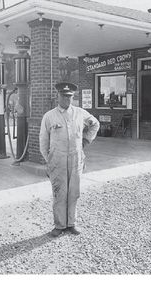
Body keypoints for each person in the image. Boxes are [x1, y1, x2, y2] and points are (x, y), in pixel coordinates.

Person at [39, 82, 100, 237]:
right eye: (63, 96)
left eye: (69, 96)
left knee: (74, 192)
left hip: (76, 159)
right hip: (57, 160)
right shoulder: (49, 116)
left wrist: (86, 141)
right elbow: (43, 141)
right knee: (59, 192)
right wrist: (49, 159)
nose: (66, 99)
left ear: (73, 97)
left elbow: (95, 124)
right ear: (57, 96)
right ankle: (59, 225)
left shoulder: (80, 113)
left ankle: (71, 224)